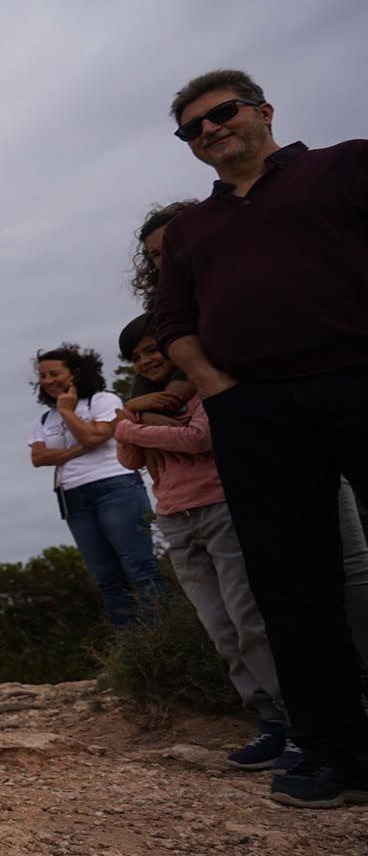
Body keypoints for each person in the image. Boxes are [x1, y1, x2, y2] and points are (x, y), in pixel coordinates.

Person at [152, 68, 368, 807]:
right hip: (257, 410)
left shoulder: (345, 166)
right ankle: (338, 751)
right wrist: (212, 384)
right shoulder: (189, 230)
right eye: (192, 127)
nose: (209, 130)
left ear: (263, 110)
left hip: (358, 379)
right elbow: (173, 322)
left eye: (221, 113)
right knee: (291, 583)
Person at [135, 199, 368, 665]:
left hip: (306, 416)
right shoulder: (168, 313)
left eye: (173, 243)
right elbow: (175, 380)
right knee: (286, 577)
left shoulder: (245, 279)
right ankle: (328, 700)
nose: (169, 257)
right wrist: (145, 407)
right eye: (157, 255)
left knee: (350, 560)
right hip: (241, 457)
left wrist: (148, 410)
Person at [112, 317, 296, 769]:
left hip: (219, 507)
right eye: (136, 357)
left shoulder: (201, 388)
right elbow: (128, 457)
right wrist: (134, 425)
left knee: (248, 618)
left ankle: (300, 726)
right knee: (219, 627)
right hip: (174, 518)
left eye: (152, 348)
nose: (147, 359)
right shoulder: (142, 403)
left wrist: (129, 423)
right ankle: (267, 721)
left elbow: (199, 439)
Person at [28, 344, 165, 628]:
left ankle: (166, 637)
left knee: (140, 568)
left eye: (55, 374)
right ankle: (134, 652)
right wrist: (78, 448)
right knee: (107, 578)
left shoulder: (103, 401)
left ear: (75, 373)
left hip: (115, 486)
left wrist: (68, 413)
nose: (48, 381)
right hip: (73, 497)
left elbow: (95, 438)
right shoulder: (45, 417)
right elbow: (38, 457)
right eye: (43, 376)